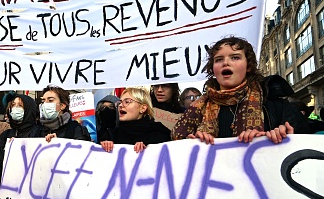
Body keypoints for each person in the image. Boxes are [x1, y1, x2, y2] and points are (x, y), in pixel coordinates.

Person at [172, 36, 310, 144]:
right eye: (219, 59)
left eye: (235, 57)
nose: (226, 62)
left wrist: (287, 137)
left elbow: (305, 146)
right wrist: (191, 143)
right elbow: (177, 150)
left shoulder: (276, 105)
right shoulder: (198, 109)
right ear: (213, 69)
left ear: (248, 66)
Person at [100, 88, 171, 153]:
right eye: (120, 102)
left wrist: (148, 148)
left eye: (127, 102)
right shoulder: (111, 134)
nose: (121, 105)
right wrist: (104, 145)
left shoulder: (160, 133)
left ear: (143, 108)